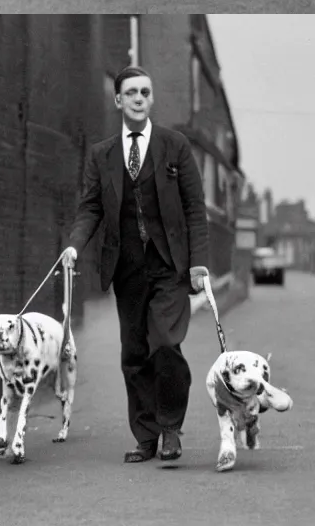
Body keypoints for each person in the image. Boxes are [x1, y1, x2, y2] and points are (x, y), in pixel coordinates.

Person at [63, 66, 210, 464]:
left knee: (165, 344)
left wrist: (198, 264)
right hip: (127, 267)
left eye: (145, 91)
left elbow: (196, 209)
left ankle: (170, 428)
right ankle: (145, 436)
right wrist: (75, 246)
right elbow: (91, 206)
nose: (139, 98)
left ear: (152, 98)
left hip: (169, 266)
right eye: (131, 93)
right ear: (119, 101)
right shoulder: (102, 153)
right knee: (134, 353)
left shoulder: (174, 145)